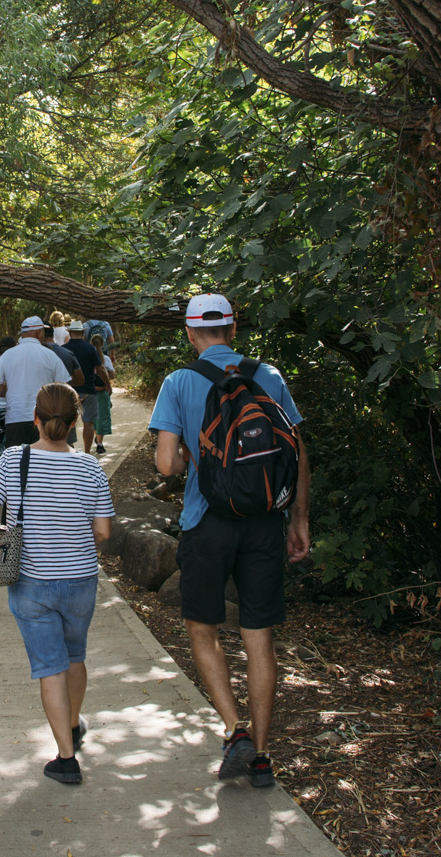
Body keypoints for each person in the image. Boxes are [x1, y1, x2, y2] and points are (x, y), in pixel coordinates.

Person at [148, 293, 311, 789]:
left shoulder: (179, 382)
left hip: (207, 522)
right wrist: (299, 519)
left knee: (203, 626)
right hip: (264, 520)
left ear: (189, 333)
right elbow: (298, 452)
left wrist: (190, 457)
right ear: (233, 329)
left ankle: (233, 728)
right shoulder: (269, 376)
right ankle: (261, 756)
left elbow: (166, 464)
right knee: (259, 636)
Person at [0, 383, 114, 784]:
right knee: (75, 656)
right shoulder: (90, 467)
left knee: (50, 667)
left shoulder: (12, 459)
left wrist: (4, 533)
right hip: (80, 580)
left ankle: (66, 759)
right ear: (74, 423)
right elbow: (103, 531)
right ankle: (73, 723)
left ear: (34, 418)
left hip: (31, 582)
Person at [0, 316, 70, 447]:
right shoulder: (50, 355)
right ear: (39, 332)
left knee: (18, 458)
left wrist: (5, 388)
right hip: (44, 419)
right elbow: (64, 388)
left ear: (22, 334)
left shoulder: (8, 355)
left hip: (15, 418)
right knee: (42, 458)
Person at [63, 320, 109, 455]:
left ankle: (67, 451)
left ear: (70, 332)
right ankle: (87, 452)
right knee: (88, 422)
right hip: (88, 390)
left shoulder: (64, 349)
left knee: (67, 422)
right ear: (83, 333)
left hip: (69, 390)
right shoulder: (90, 348)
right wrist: (107, 384)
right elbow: (100, 368)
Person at [90, 333, 115, 455]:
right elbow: (112, 375)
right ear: (103, 344)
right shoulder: (106, 359)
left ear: (90, 343)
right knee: (102, 417)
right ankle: (99, 443)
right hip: (103, 391)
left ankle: (97, 437)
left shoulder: (88, 357)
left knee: (93, 417)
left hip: (91, 391)